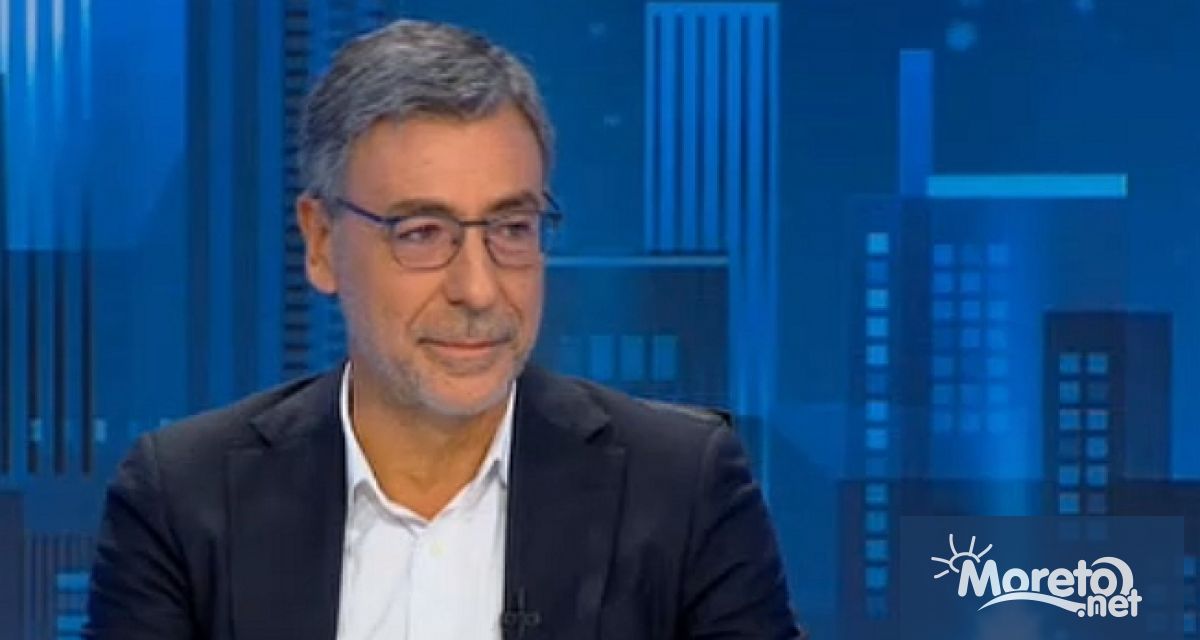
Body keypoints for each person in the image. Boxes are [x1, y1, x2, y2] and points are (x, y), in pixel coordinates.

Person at [84, 18, 803, 640]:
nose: (478, 289)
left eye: (511, 228)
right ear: (322, 242)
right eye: (422, 233)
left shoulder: (682, 489)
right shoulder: (184, 501)